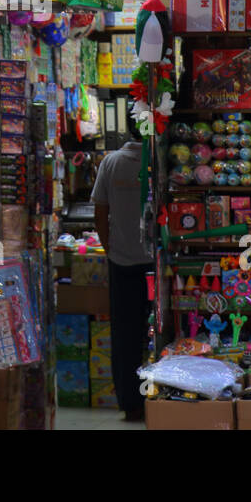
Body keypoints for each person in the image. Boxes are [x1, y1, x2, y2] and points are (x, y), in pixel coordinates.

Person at [93, 114, 152, 422]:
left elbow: (100, 213)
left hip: (122, 262)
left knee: (125, 334)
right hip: (156, 263)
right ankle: (164, 397)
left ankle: (130, 402)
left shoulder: (111, 162)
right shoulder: (157, 159)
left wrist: (109, 248)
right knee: (160, 331)